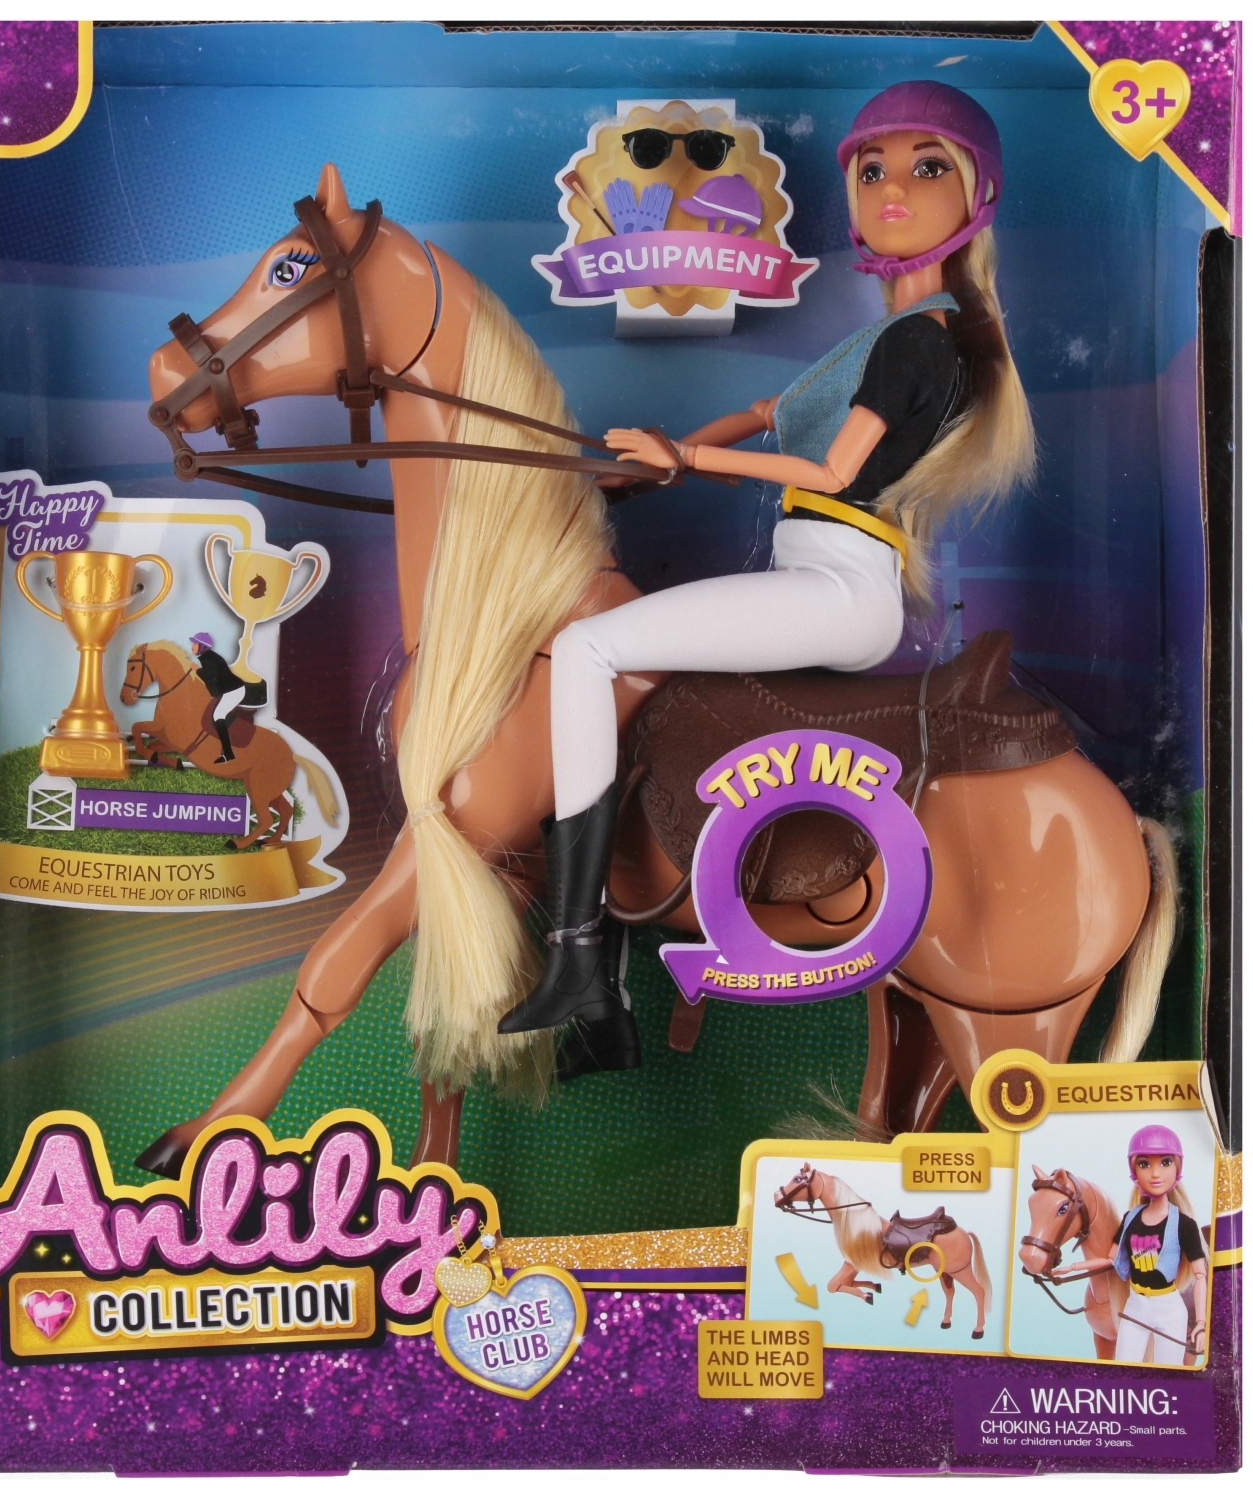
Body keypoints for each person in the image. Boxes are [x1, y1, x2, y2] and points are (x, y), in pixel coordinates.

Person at [497, 81, 1035, 1053]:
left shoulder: (919, 341)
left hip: (837, 585)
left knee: (584, 651)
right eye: (871, 170)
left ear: (976, 195)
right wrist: (654, 469)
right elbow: (762, 414)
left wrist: (684, 458)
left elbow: (830, 473)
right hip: (821, 573)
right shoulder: (882, 337)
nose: (891, 189)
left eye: (926, 169)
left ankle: (576, 954)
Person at [1053, 1125, 1209, 1364]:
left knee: (1168, 1372)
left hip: (1167, 1307)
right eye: (1144, 1164)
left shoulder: (1184, 1225)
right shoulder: (1130, 1219)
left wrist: (1201, 1323)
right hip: (1135, 1305)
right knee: (1125, 1367)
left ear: (1177, 1169)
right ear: (1134, 1171)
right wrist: (1072, 1268)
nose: (1155, 1174)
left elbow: (1200, 1275)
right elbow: (1110, 1259)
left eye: (1165, 1163)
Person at [189, 631, 266, 763]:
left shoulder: (208, 659)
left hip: (234, 691)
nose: (192, 646)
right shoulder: (208, 657)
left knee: (218, 716)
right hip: (230, 689)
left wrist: (197, 670)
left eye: (195, 644)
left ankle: (228, 753)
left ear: (202, 646)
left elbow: (210, 677)